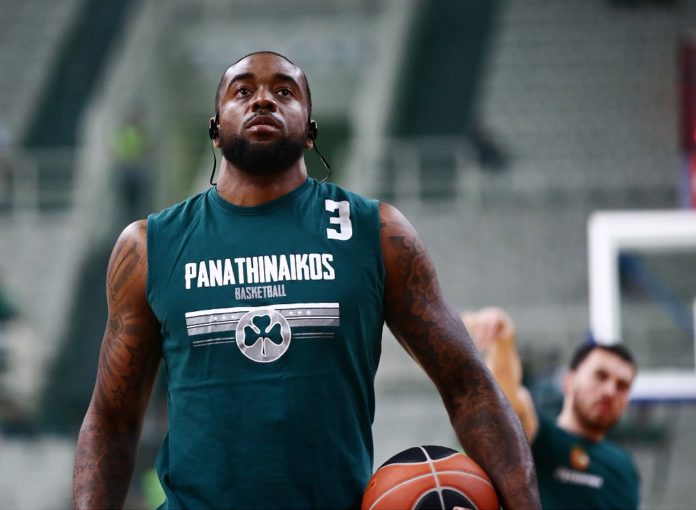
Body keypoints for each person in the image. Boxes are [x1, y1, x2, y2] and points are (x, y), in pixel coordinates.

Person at [72, 51, 540, 510]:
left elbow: (469, 388)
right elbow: (112, 420)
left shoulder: (377, 233)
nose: (262, 100)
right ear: (214, 131)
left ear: (311, 132)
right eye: (242, 92)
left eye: (284, 91)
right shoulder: (151, 245)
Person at [463, 307, 640, 510]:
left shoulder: (626, 469)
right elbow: (505, 400)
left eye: (622, 386)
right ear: (569, 381)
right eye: (600, 376)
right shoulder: (540, 437)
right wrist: (503, 345)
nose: (610, 391)